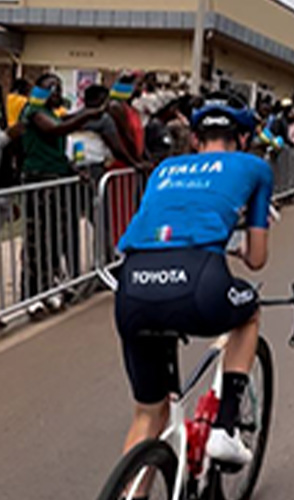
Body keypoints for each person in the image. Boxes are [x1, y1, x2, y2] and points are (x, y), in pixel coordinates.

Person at [114, 91, 273, 468]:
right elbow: (257, 259)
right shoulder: (254, 167)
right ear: (243, 139)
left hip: (133, 286)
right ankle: (225, 428)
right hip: (198, 282)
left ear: (196, 139)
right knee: (248, 309)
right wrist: (235, 244)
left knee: (148, 414)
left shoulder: (163, 170)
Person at [20, 74, 104, 315]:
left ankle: (48, 288)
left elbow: (60, 135)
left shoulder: (51, 112)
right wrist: (87, 115)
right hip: (39, 179)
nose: (58, 95)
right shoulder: (33, 111)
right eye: (53, 89)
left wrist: (73, 168)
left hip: (57, 178)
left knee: (55, 238)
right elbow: (55, 130)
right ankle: (31, 294)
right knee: (37, 239)